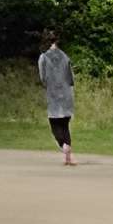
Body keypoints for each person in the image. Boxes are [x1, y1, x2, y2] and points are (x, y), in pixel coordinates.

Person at [38, 29, 75, 165]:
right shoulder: (65, 57)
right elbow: (71, 79)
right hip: (66, 95)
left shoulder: (43, 57)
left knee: (55, 125)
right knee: (65, 125)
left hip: (53, 95)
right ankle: (69, 154)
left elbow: (42, 78)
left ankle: (64, 147)